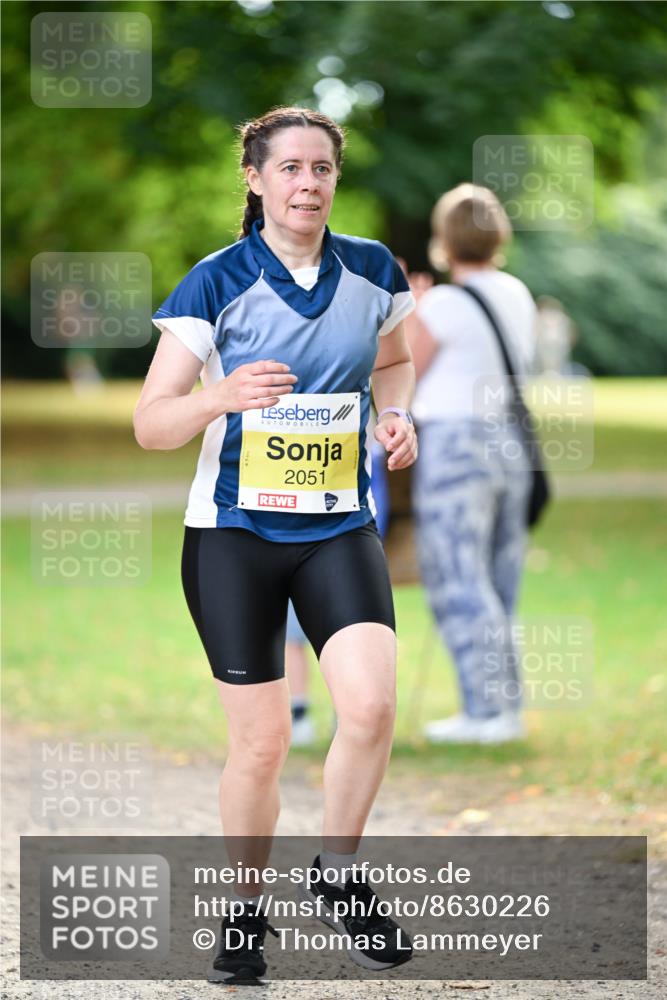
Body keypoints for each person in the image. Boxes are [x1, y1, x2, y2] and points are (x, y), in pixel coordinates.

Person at [133, 106, 418, 983]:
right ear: (256, 180)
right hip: (233, 537)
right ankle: (244, 914)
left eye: (321, 170)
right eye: (289, 169)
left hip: (335, 529)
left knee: (368, 707)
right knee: (260, 746)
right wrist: (219, 398)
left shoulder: (372, 271)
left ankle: (337, 873)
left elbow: (393, 361)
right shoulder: (214, 282)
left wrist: (397, 413)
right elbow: (151, 424)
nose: (307, 184)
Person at [404, 183, 536, 745]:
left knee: (458, 576)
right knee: (497, 578)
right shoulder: (517, 293)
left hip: (457, 445)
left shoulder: (443, 304)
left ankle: (485, 713)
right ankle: (502, 706)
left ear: (444, 239)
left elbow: (401, 375)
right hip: (513, 442)